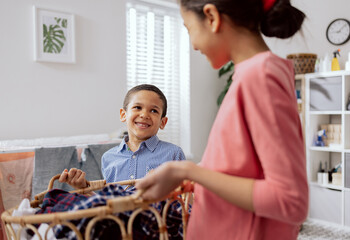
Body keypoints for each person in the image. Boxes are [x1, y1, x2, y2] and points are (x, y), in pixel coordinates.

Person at [135, 0, 309, 239]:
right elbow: (248, 172)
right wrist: (200, 182)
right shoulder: (251, 75)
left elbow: (289, 200)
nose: (193, 45)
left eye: (188, 29)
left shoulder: (260, 76)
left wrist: (187, 170)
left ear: (212, 17)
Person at [59, 84, 185, 189]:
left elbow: (184, 198)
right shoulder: (108, 158)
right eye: (137, 107)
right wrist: (83, 188)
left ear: (163, 122)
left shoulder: (174, 153)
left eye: (154, 111)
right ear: (123, 115)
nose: (144, 114)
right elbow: (108, 201)